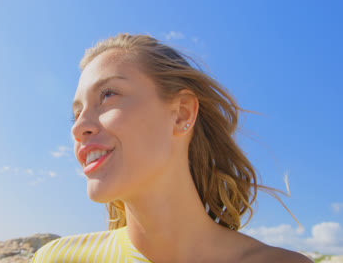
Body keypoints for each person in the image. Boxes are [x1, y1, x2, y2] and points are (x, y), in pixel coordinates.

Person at [30, 33, 312, 263]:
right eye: (76, 114)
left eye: (107, 95)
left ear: (181, 113)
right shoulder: (57, 258)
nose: (78, 128)